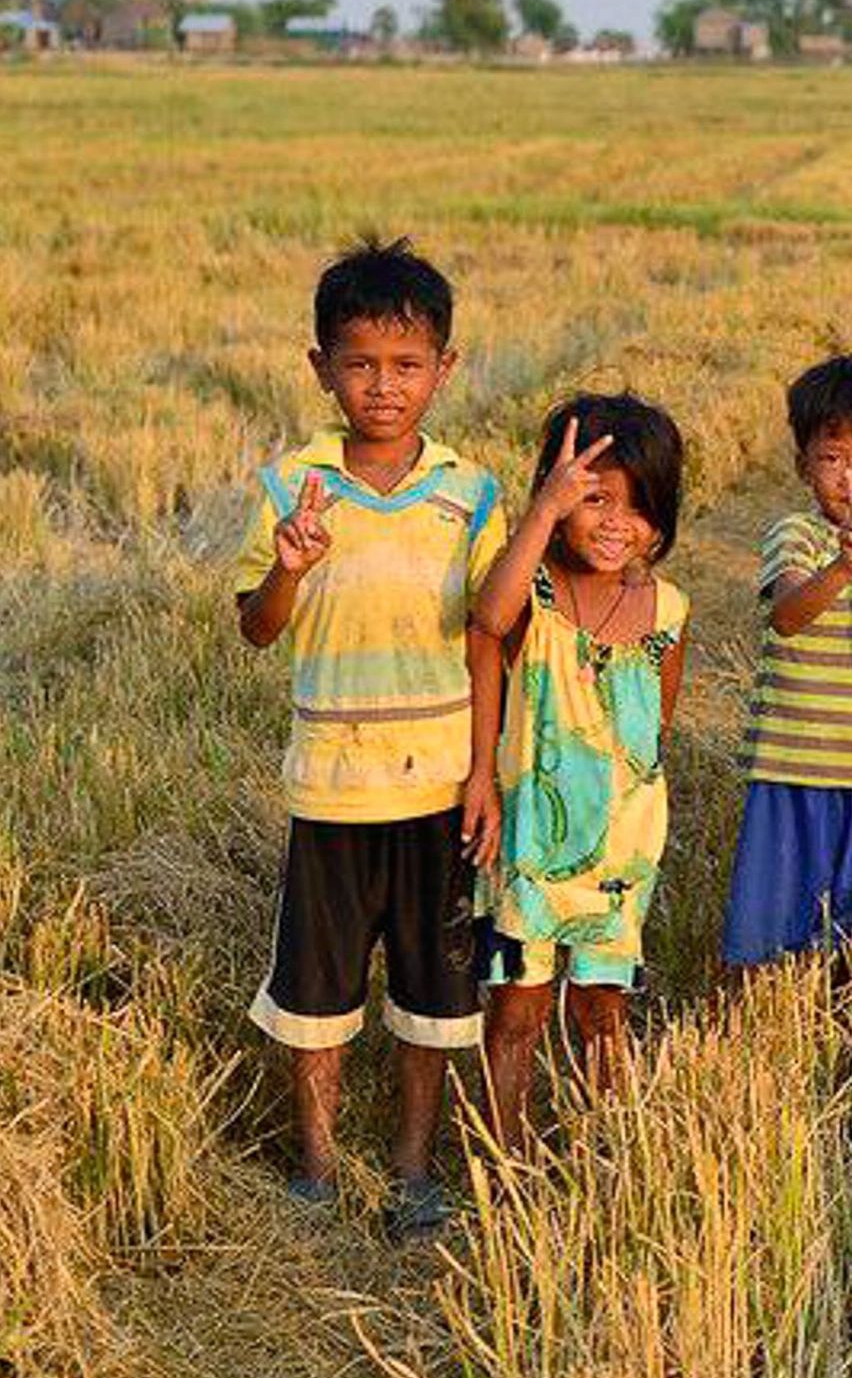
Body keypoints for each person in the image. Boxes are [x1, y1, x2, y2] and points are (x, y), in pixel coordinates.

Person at [234, 236, 506, 1240]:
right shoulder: (287, 486)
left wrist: (484, 771)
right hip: (333, 787)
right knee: (317, 990)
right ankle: (313, 1162)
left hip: (438, 787)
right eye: (357, 362)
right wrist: (291, 568)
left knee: (433, 990)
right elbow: (258, 628)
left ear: (444, 368)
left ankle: (411, 1165)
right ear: (320, 368)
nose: (381, 386)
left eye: (404, 364)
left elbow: (490, 636)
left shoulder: (470, 490)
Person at [470, 395, 687, 1150]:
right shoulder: (531, 592)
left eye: (637, 506)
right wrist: (541, 513)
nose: (613, 522)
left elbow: (653, 731)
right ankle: (508, 1157)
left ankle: (608, 1149)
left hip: (622, 849)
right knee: (516, 1011)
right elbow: (488, 619)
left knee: (603, 1007)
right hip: (528, 840)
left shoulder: (668, 611)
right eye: (593, 499)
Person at [721, 355, 852, 965]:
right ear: (803, 464)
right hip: (792, 762)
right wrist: (846, 565)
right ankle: (756, 1026)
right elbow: (788, 613)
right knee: (772, 919)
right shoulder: (797, 535)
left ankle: (840, 1029)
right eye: (833, 458)